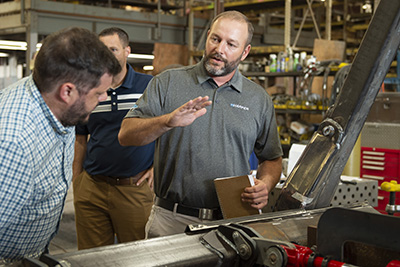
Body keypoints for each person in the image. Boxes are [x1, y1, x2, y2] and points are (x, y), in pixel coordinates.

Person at [118, 11, 283, 238]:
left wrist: (265, 184)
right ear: (207, 37)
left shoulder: (258, 99)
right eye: (215, 39)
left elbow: (272, 158)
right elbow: (126, 134)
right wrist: (167, 122)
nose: (219, 49)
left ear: (245, 52)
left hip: (232, 222)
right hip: (171, 220)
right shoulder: (168, 82)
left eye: (231, 44)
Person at [0, 27, 121, 262]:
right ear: (67, 91)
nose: (105, 98)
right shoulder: (13, 142)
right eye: (98, 93)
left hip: (33, 254)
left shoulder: (55, 102)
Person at [72, 27, 154, 250]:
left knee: (138, 257)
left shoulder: (149, 86)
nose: (106, 55)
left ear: (127, 51)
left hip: (134, 189)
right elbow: (81, 136)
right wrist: (77, 180)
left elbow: (170, 128)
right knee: (91, 259)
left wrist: (158, 166)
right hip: (92, 187)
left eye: (113, 49)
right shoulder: (89, 88)